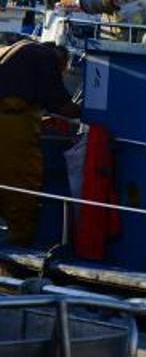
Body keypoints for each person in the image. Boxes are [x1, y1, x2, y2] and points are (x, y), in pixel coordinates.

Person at [0, 39, 80, 245]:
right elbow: (62, 105)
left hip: (10, 118)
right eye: (61, 72)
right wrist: (89, 111)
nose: (61, 76)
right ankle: (20, 242)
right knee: (21, 181)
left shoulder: (21, 48)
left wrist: (42, 119)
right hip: (10, 128)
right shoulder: (46, 58)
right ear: (60, 61)